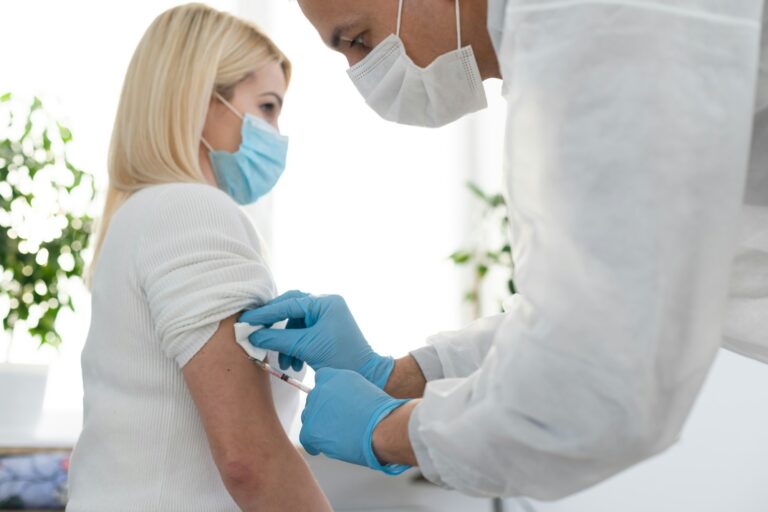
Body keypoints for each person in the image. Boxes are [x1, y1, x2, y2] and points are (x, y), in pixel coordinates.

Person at [239, 0, 768, 500]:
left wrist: (389, 431)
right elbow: (603, 303)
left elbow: (601, 384)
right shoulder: (578, 40)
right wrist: (399, 377)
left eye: (359, 39)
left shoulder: (598, 26)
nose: (364, 74)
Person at [66, 4, 332, 511]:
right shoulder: (190, 211)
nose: (276, 132)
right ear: (202, 99)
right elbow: (250, 460)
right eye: (268, 107)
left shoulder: (141, 214)